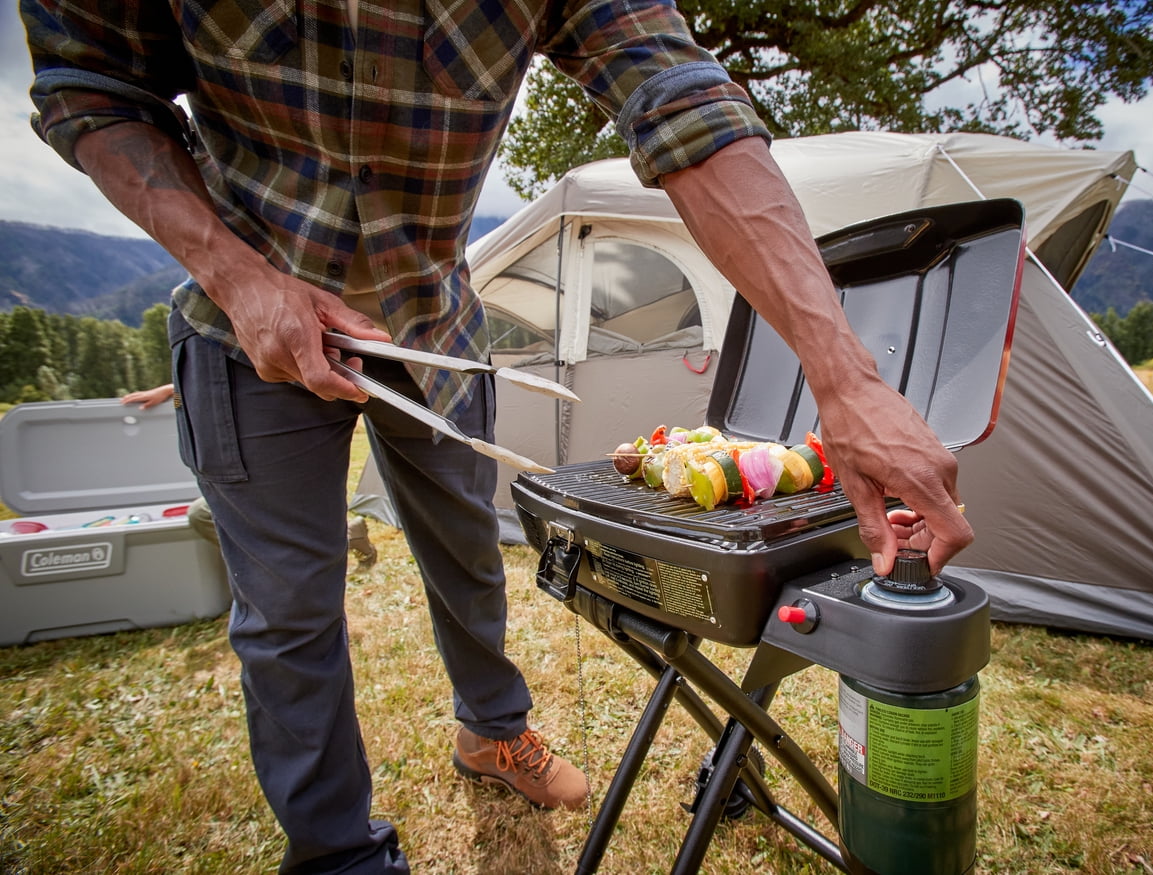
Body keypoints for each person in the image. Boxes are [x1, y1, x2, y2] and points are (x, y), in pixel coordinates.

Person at [25, 2, 972, 871]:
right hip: (248, 330)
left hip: (432, 325)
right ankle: (337, 853)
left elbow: (683, 103)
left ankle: (490, 730)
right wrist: (237, 277)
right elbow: (91, 84)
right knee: (287, 615)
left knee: (469, 558)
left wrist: (845, 378)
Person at [122, 385, 378, 567]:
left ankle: (283, 569)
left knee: (205, 515)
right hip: (248, 468)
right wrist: (171, 391)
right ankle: (342, 539)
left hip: (261, 468)